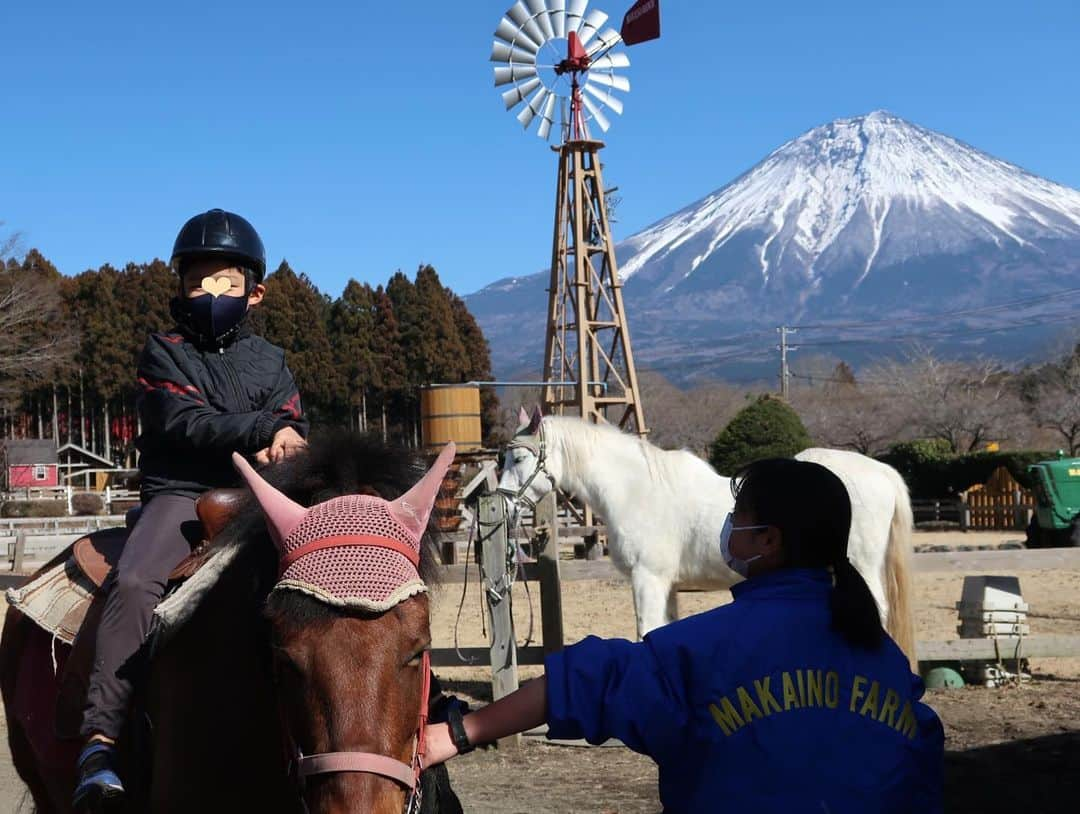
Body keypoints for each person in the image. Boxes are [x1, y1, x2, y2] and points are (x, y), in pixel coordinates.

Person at [425, 458, 945, 813]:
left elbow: (583, 681)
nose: (728, 527)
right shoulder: (884, 659)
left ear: (768, 540)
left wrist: (457, 732)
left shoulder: (701, 650)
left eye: (738, 517)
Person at [74, 209, 309, 809]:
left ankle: (409, 707)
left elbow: (291, 421)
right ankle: (100, 741)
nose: (211, 293)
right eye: (198, 281)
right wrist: (264, 428)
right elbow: (181, 421)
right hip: (181, 494)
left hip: (258, 494)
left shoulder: (273, 361)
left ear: (255, 292)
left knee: (340, 568)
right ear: (180, 288)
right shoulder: (163, 352)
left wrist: (289, 439)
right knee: (134, 580)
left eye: (227, 282)